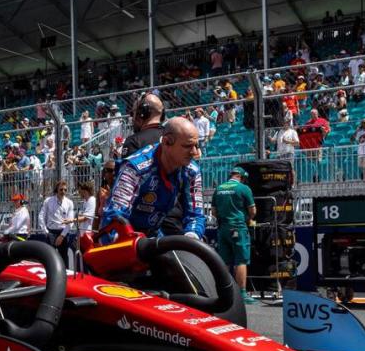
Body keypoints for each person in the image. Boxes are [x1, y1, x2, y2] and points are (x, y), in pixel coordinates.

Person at [99, 117, 205, 243]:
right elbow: (114, 217)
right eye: (187, 146)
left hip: (154, 237)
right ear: (166, 142)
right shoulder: (135, 168)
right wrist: (122, 241)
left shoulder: (191, 170)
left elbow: (195, 215)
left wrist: (192, 236)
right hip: (126, 240)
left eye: (196, 145)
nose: (194, 152)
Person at [211, 167, 257, 305]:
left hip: (222, 228)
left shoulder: (218, 189)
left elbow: (213, 212)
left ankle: (223, 291)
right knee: (240, 261)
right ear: (242, 177)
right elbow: (253, 210)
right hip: (238, 227)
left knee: (225, 261)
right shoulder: (243, 188)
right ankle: (242, 293)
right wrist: (249, 219)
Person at [38, 180, 74, 263]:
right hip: (51, 232)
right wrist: (46, 232)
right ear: (56, 189)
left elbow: (70, 221)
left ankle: (65, 275)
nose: (63, 192)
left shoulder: (69, 203)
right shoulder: (48, 201)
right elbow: (41, 216)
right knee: (50, 259)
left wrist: (62, 236)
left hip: (64, 233)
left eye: (65, 190)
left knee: (64, 258)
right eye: (61, 189)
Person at [120, 93, 165, 158]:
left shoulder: (133, 142)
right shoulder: (172, 136)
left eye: (132, 113)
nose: (132, 118)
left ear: (142, 113)